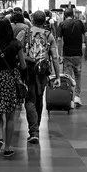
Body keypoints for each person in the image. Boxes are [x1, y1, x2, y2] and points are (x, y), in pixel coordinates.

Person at [0, 17, 25, 158]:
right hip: (10, 78)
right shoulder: (16, 44)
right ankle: (8, 148)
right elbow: (23, 65)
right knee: (10, 115)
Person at [23, 10, 60, 143]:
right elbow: (55, 57)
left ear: (32, 19)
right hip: (43, 71)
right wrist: (58, 76)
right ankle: (36, 127)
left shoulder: (25, 33)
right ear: (45, 21)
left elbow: (18, 51)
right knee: (39, 97)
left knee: (29, 99)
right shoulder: (49, 35)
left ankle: (34, 131)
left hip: (28, 70)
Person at [59, 7, 86, 107]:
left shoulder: (62, 24)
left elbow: (59, 40)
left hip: (67, 54)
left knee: (67, 77)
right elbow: (86, 36)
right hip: (78, 54)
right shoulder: (80, 23)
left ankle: (69, 99)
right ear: (73, 15)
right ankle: (77, 97)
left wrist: (59, 54)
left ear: (64, 15)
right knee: (78, 76)